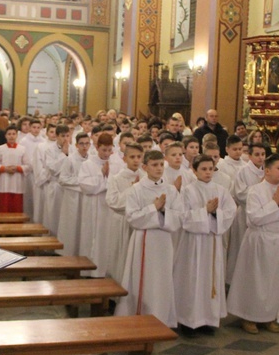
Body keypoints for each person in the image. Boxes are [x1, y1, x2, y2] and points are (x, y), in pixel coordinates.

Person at [227, 154, 279, 334]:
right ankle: (249, 316)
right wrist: (275, 204)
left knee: (274, 279)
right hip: (259, 239)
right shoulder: (255, 191)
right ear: (267, 171)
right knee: (255, 279)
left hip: (278, 239)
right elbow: (255, 218)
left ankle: (268, 316)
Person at [114, 150, 181, 327]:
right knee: (143, 279)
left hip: (164, 241)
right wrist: (154, 208)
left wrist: (164, 211)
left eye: (161, 165)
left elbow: (179, 217)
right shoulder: (136, 189)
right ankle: (140, 316)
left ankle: (161, 318)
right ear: (145, 167)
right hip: (143, 240)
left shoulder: (171, 190)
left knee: (162, 278)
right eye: (154, 165)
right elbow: (132, 217)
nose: (159, 169)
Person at [173, 154, 236, 335]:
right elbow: (183, 217)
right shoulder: (187, 191)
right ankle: (188, 321)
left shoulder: (221, 190)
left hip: (212, 242)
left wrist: (216, 215)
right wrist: (205, 211)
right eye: (204, 169)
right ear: (194, 170)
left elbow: (231, 212)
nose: (208, 172)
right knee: (193, 279)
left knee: (210, 279)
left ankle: (208, 319)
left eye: (211, 169)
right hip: (193, 243)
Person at [105, 143, 145, 285]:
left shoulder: (146, 177)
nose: (136, 160)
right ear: (124, 158)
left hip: (140, 225)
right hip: (122, 223)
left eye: (139, 157)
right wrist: (132, 189)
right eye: (132, 157)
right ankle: (116, 295)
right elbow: (113, 202)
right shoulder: (116, 178)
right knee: (120, 258)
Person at [226, 142, 266, 283]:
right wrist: (260, 187)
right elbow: (239, 194)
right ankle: (236, 280)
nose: (260, 158)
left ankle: (253, 280)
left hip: (263, 216)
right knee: (241, 247)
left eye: (262, 154)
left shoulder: (267, 171)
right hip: (245, 215)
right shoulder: (243, 171)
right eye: (257, 154)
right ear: (249, 156)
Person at [78, 132, 115, 277]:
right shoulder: (88, 164)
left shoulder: (115, 164)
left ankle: (105, 270)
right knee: (91, 236)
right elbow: (85, 186)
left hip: (108, 208)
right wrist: (102, 176)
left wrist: (106, 182)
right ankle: (88, 270)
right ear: (97, 147)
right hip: (93, 206)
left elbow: (115, 185)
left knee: (106, 238)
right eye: (103, 150)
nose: (106, 154)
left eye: (109, 150)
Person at [57, 133, 91, 257]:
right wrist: (80, 181)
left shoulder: (91, 160)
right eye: (81, 143)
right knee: (72, 227)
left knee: (84, 227)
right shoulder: (70, 159)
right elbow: (62, 179)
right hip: (72, 198)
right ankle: (68, 254)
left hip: (86, 197)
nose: (84, 146)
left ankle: (83, 254)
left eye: (87, 143)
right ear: (76, 145)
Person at [42, 124, 71, 235]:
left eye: (67, 136)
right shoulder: (49, 150)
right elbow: (53, 169)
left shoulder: (72, 149)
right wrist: (63, 154)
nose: (65, 139)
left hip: (68, 188)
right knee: (54, 216)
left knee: (66, 217)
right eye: (63, 136)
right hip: (55, 187)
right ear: (57, 136)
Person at [0, 126, 28, 212]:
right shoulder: (1, 148)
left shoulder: (22, 149)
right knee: (3, 207)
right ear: (5, 136)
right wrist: (4, 169)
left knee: (16, 208)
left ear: (17, 135)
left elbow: (28, 165)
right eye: (9, 134)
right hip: (4, 182)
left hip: (17, 182)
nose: (11, 136)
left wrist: (17, 168)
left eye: (13, 134)